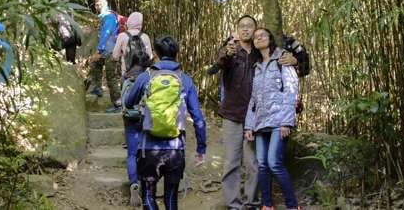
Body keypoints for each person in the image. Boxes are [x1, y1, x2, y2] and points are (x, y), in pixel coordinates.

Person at [215, 15, 297, 210]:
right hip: (232, 114)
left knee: (254, 163)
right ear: (237, 29)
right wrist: (227, 53)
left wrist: (293, 59)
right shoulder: (230, 48)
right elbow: (220, 62)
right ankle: (234, 204)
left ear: (255, 30)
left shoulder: (260, 55)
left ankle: (251, 202)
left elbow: (292, 70)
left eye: (249, 26)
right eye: (242, 26)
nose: (246, 29)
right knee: (231, 163)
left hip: (257, 117)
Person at [125, 35, 206, 210]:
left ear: (156, 53)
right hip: (176, 149)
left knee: (148, 195)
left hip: (149, 148)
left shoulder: (146, 77)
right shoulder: (184, 79)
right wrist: (201, 148)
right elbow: (198, 119)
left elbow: (128, 102)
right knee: (171, 198)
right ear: (177, 53)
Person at [244, 28, 299, 210]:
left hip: (278, 121)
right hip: (261, 123)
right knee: (262, 165)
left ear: (270, 38)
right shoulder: (257, 66)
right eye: (256, 37)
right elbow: (253, 98)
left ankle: (292, 206)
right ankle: (267, 205)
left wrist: (286, 122)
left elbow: (291, 91)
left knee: (274, 162)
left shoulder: (283, 58)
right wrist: (249, 126)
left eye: (263, 35)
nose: (259, 38)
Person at [113, 12, 153, 207]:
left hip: (127, 81)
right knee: (145, 144)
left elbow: (114, 55)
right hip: (144, 84)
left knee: (131, 150)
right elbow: (151, 57)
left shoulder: (122, 36)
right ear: (141, 23)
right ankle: (147, 185)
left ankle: (134, 183)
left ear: (128, 23)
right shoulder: (145, 37)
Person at [87, 0, 121, 111]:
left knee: (111, 77)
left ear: (105, 2)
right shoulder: (102, 17)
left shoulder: (109, 16)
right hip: (105, 50)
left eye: (99, 3)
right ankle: (97, 88)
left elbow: (106, 34)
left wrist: (99, 50)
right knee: (95, 65)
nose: (97, 5)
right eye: (96, 4)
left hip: (110, 50)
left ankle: (117, 104)